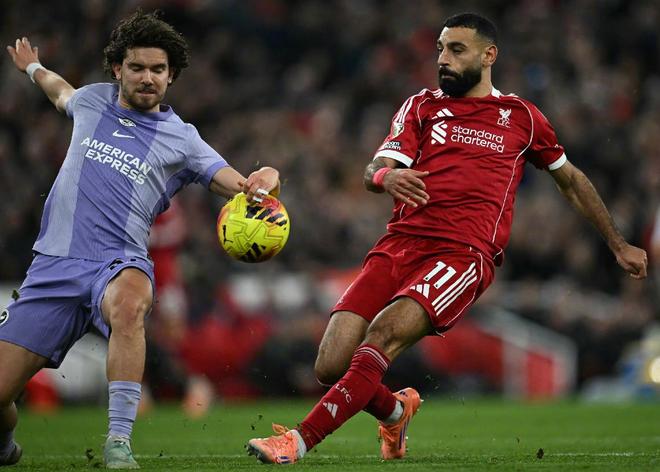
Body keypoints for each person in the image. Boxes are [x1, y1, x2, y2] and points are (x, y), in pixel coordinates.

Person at [246, 12, 648, 464]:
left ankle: (297, 441)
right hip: (399, 244)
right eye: (440, 49)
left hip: (463, 254)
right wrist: (384, 177)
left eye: (456, 49)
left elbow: (570, 180)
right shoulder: (420, 106)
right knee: (330, 364)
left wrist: (617, 243)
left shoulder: (522, 118)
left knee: (382, 336)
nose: (443, 59)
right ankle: (395, 411)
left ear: (489, 55)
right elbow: (374, 169)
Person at [1, 10, 280, 469]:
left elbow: (236, 183)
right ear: (118, 69)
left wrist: (264, 178)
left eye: (157, 69)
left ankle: (118, 441)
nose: (147, 77)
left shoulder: (182, 139)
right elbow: (59, 90)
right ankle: (5, 443)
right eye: (137, 67)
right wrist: (32, 67)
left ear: (171, 76)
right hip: (53, 266)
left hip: (118, 263)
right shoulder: (92, 101)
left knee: (130, 304)